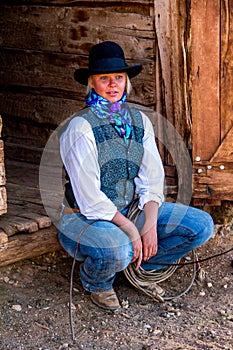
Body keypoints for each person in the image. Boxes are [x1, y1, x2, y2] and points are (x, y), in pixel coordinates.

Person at [58, 41, 214, 310]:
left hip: (129, 208)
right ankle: (97, 281)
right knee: (119, 248)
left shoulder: (139, 122)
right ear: (92, 84)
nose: (112, 84)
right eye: (103, 78)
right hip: (83, 216)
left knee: (201, 226)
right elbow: (90, 199)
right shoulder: (80, 128)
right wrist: (132, 230)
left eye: (118, 77)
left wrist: (149, 224)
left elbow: (151, 178)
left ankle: (136, 267)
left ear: (126, 81)